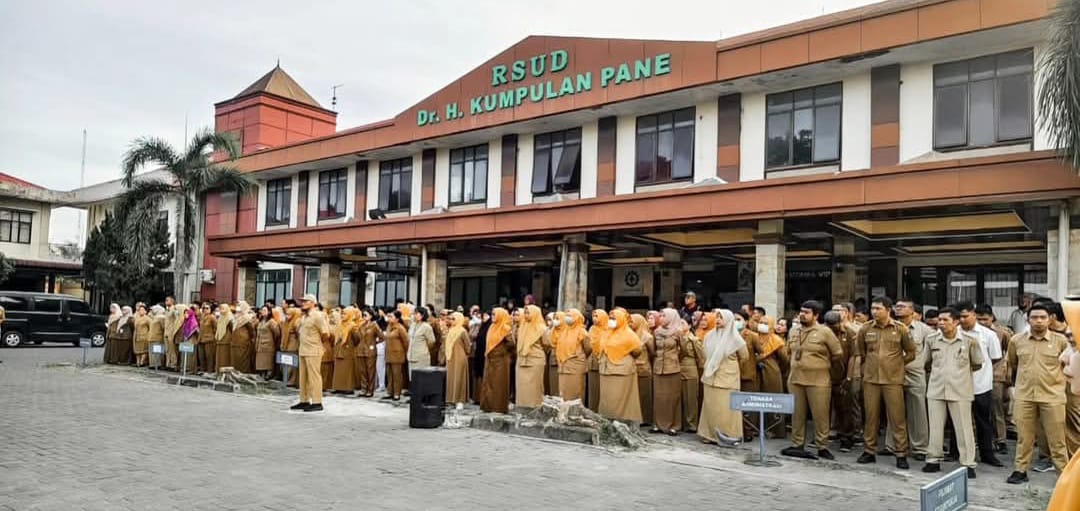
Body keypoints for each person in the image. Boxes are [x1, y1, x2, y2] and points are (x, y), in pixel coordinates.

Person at [1006, 303, 1070, 483]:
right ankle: (1020, 470)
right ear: (1028, 320)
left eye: (1043, 317)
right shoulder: (1016, 340)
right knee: (1024, 437)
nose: (1039, 321)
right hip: (1025, 396)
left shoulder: (1061, 341)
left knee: (1057, 439)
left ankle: (1063, 474)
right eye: (1034, 317)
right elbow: (1013, 363)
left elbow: (1069, 366)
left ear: (1050, 319)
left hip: (1053, 397)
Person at [856, 296, 917, 469]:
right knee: (871, 416)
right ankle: (869, 451)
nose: (874, 312)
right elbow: (862, 352)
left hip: (893, 380)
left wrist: (897, 365)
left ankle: (901, 453)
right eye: (873, 308)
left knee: (897, 417)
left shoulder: (900, 329)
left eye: (878, 309)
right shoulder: (865, 329)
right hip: (871, 380)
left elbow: (911, 352)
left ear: (888, 310)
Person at [922, 307, 983, 479]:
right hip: (936, 389)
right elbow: (926, 362)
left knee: (964, 429)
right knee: (935, 427)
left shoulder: (970, 341)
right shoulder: (932, 339)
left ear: (956, 322)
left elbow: (977, 363)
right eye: (939, 320)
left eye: (945, 320)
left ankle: (968, 463)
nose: (941, 323)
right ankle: (933, 460)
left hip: (960, 390)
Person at [782, 301, 843, 460]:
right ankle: (797, 444)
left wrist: (826, 368)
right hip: (796, 379)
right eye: (801, 311)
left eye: (807, 312)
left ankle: (822, 446)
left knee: (820, 414)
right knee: (797, 413)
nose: (802, 314)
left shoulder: (825, 332)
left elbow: (837, 354)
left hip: (818, 380)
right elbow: (788, 351)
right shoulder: (794, 331)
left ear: (816, 315)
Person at [957, 301, 1004, 467]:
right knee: (959, 421)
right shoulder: (953, 333)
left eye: (965, 316)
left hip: (981, 384)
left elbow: (996, 357)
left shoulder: (988, 334)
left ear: (974, 314)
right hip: (959, 385)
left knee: (984, 420)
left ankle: (987, 454)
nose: (962, 320)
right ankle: (957, 453)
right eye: (959, 317)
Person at [884, 299, 932, 461]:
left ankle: (919, 447)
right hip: (892, 373)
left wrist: (923, 367)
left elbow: (930, 352)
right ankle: (892, 445)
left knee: (918, 411)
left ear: (912, 311)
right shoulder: (889, 326)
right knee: (893, 410)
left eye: (902, 306)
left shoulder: (924, 330)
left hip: (915, 373)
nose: (898, 309)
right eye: (897, 306)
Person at [698, 309, 749, 444]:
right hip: (710, 375)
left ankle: (729, 435)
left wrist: (730, 365)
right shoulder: (709, 336)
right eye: (717, 317)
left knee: (726, 408)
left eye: (721, 317)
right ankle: (709, 434)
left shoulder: (735, 338)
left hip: (728, 378)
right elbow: (704, 353)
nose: (718, 320)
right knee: (710, 406)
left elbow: (744, 357)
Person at [975, 305, 1014, 454]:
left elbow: (1008, 355)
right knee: (980, 409)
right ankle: (982, 440)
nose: (982, 322)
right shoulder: (972, 332)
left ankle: (1001, 440)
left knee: (997, 408)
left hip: (996, 375)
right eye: (979, 319)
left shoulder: (1002, 333)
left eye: (985, 319)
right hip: (977, 375)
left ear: (992, 317)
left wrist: (1008, 375)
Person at [597, 308, 643, 423]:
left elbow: (637, 350)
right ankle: (607, 421)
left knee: (619, 398)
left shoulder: (629, 334)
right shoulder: (607, 332)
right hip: (606, 369)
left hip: (621, 370)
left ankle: (622, 421)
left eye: (614, 318)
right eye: (610, 318)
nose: (611, 320)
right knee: (607, 398)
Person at [826, 309, 861, 451]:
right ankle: (829, 434)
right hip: (827, 375)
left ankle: (848, 438)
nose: (832, 327)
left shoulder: (850, 333)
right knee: (829, 408)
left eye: (834, 324)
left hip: (845, 375)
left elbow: (854, 356)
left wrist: (848, 377)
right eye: (829, 325)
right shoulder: (823, 333)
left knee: (846, 408)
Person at [290, 294, 330, 412]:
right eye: (302, 302)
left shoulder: (318, 316)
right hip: (303, 349)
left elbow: (325, 333)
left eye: (306, 301)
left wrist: (317, 343)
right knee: (303, 378)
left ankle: (317, 402)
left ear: (313, 303)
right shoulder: (304, 317)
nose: (303, 304)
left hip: (313, 350)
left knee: (314, 377)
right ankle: (304, 400)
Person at [652, 308, 685, 435]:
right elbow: (654, 349)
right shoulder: (657, 332)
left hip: (673, 369)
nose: (661, 318)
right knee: (659, 397)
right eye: (660, 316)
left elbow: (683, 351)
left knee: (672, 398)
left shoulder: (677, 332)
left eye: (664, 316)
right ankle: (658, 424)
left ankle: (674, 425)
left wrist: (674, 359)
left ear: (671, 317)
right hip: (659, 368)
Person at [755, 316, 788, 439]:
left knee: (773, 400)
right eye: (760, 322)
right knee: (757, 400)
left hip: (772, 372)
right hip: (756, 371)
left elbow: (785, 360)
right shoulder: (755, 337)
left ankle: (776, 430)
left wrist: (777, 369)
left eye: (765, 323)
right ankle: (758, 428)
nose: (762, 325)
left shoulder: (776, 340)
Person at [480, 307, 514, 413]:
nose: (493, 317)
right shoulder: (492, 327)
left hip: (500, 360)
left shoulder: (505, 328)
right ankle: (488, 406)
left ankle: (498, 407)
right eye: (492, 314)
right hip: (490, 359)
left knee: (498, 384)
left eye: (495, 315)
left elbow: (511, 344)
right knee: (488, 383)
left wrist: (502, 351)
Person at [515, 304, 547, 409]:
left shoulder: (542, 328)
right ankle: (522, 406)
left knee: (534, 387)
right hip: (522, 360)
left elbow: (547, 344)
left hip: (535, 361)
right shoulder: (522, 327)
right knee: (522, 387)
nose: (526, 315)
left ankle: (535, 407)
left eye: (528, 313)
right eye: (525, 313)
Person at [680, 311, 706, 432]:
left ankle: (691, 424)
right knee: (680, 398)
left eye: (682, 323)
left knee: (691, 399)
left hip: (690, 370)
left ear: (689, 326)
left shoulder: (694, 340)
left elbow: (701, 358)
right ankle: (681, 422)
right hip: (678, 369)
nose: (680, 326)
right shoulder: (676, 338)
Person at [555, 308, 589, 401]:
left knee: (575, 391)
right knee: (563, 391)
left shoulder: (582, 332)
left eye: (570, 316)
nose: (567, 318)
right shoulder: (564, 331)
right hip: (563, 365)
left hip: (575, 365)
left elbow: (588, 348)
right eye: (567, 316)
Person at [631, 313, 655, 426]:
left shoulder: (647, 337)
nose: (630, 323)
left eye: (632, 321)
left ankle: (646, 419)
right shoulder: (630, 335)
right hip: (632, 368)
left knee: (644, 395)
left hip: (644, 368)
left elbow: (652, 353)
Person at [443, 312, 472, 406]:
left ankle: (460, 400)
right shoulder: (450, 330)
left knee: (459, 378)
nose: (451, 321)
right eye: (450, 319)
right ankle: (451, 399)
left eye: (453, 319)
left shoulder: (462, 331)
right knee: (451, 378)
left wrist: (464, 354)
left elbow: (468, 346)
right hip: (450, 357)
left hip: (459, 358)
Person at [352, 308, 382, 397]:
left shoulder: (374, 325)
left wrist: (374, 343)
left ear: (371, 316)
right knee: (362, 371)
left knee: (370, 371)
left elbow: (382, 337)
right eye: (363, 315)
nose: (364, 317)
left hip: (370, 350)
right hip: (361, 350)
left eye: (366, 315)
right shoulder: (361, 325)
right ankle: (364, 389)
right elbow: (357, 337)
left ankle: (370, 389)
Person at [585, 309, 610, 412]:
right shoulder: (592, 329)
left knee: (602, 390)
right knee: (592, 390)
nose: (594, 318)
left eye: (597, 316)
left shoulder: (608, 330)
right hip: (592, 362)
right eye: (593, 316)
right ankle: (592, 410)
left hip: (603, 362)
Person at [330, 307, 358, 393]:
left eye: (345, 314)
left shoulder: (353, 326)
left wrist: (350, 345)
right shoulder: (340, 325)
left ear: (350, 315)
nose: (342, 315)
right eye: (342, 313)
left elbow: (357, 339)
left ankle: (348, 388)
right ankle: (338, 387)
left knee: (347, 370)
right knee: (338, 369)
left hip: (348, 350)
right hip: (339, 349)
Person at [382, 310, 409, 401]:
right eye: (389, 316)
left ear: (397, 319)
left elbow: (406, 341)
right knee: (389, 374)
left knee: (397, 375)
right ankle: (390, 391)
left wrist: (405, 352)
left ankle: (397, 393)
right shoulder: (389, 327)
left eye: (391, 317)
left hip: (397, 354)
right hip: (389, 353)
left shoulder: (400, 328)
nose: (389, 318)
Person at [229, 302, 256, 374]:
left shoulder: (247, 317)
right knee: (235, 360)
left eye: (240, 305)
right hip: (235, 341)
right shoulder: (235, 317)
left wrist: (249, 338)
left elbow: (251, 330)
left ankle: (244, 374)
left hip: (244, 342)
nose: (238, 307)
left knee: (243, 360)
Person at [255, 305, 281, 378]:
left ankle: (268, 375)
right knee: (260, 362)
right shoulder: (260, 321)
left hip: (268, 345)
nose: (262, 312)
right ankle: (261, 375)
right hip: (259, 345)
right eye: (262, 310)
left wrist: (271, 341)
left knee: (267, 362)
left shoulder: (271, 322)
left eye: (264, 310)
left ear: (269, 312)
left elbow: (277, 333)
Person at [544, 312, 562, 398]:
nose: (551, 322)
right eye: (548, 320)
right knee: (552, 382)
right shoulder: (548, 331)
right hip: (551, 358)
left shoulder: (564, 331)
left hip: (563, 360)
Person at [197, 303, 217, 373]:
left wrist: (213, 337)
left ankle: (210, 371)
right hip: (201, 339)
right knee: (201, 356)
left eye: (207, 308)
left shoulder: (212, 317)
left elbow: (215, 328)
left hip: (209, 339)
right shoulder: (202, 317)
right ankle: (202, 369)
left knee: (209, 356)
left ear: (211, 309)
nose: (205, 310)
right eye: (204, 308)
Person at [214, 303, 233, 372]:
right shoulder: (220, 317)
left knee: (225, 358)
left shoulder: (229, 318)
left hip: (226, 340)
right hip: (220, 339)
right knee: (219, 357)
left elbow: (232, 329)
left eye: (223, 308)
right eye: (221, 308)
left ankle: (224, 372)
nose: (221, 310)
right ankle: (218, 371)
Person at [164, 297, 181, 370]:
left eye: (167, 300)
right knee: (167, 349)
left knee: (172, 349)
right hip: (166, 331)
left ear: (172, 301)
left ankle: (173, 364)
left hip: (171, 331)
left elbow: (178, 320)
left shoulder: (174, 309)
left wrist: (175, 330)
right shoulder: (167, 310)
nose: (166, 301)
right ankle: (168, 363)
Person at [133, 303, 151, 367]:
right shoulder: (136, 318)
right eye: (140, 310)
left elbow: (150, 327)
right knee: (137, 350)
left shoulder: (147, 318)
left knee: (144, 350)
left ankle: (142, 362)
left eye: (142, 310)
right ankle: (137, 362)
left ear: (145, 311)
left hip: (144, 336)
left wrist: (148, 335)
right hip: (137, 336)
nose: (141, 311)